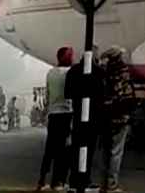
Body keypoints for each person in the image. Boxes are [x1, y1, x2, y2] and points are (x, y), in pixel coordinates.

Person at [65, 47, 105, 190]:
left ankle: (73, 179)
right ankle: (85, 178)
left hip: (77, 117)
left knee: (76, 149)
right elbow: (103, 96)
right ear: (94, 57)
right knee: (88, 150)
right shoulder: (99, 72)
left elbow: (67, 96)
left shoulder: (72, 71)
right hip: (93, 119)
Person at [38, 46, 73, 191]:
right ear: (64, 57)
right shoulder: (70, 73)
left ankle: (42, 181)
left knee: (50, 149)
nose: (72, 58)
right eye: (70, 55)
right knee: (64, 149)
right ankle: (58, 181)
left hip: (53, 115)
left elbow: (47, 95)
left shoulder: (50, 73)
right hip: (66, 114)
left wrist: (46, 112)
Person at [100, 46, 135, 193]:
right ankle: (112, 184)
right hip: (119, 117)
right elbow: (126, 95)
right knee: (116, 152)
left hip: (105, 117)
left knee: (105, 152)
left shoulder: (104, 72)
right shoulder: (122, 72)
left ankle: (103, 184)